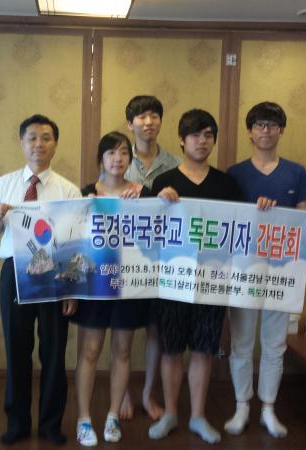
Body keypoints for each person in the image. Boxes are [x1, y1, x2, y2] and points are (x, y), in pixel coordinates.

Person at [223, 101, 306, 438]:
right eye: (259, 125)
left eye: (272, 125)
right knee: (241, 341)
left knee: (274, 342)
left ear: (281, 130)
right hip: (243, 266)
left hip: (283, 270)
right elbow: (227, 221)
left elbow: (303, 216)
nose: (265, 130)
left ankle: (268, 407)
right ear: (249, 132)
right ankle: (241, 405)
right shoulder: (235, 174)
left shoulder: (296, 172)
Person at [0, 114, 80, 446]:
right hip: (14, 271)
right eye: (32, 138)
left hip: (56, 272)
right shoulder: (4, 184)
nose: (39, 144)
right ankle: (17, 423)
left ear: (55, 144)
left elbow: (74, 242)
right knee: (17, 349)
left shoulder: (68, 189)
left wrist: (71, 289)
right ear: (22, 143)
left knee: (54, 352)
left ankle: (51, 425)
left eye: (46, 137)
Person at [148, 109, 243, 444]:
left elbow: (243, 229)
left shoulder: (227, 184)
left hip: (212, 281)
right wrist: (159, 202)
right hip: (172, 281)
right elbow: (149, 231)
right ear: (181, 140)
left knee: (204, 349)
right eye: (195, 135)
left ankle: (198, 417)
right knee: (171, 349)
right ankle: (171, 413)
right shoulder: (164, 182)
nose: (202, 141)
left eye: (208, 135)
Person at [72, 131, 151, 447]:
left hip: (128, 283)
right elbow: (72, 238)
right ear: (100, 159)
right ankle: (83, 419)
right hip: (95, 283)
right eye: (111, 153)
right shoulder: (85, 194)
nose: (118, 159)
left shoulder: (142, 194)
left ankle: (113, 416)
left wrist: (159, 199)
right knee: (90, 351)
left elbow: (160, 231)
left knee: (122, 351)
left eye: (123, 153)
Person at [120, 95, 180, 421]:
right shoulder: (118, 159)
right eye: (141, 117)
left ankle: (148, 393)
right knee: (124, 330)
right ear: (130, 124)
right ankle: (123, 393)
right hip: (126, 259)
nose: (149, 122)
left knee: (157, 330)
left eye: (154, 115)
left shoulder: (175, 163)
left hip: (163, 260)